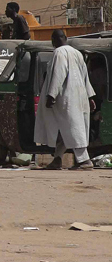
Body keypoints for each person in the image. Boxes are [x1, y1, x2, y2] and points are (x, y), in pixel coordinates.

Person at [36, 31, 96, 170]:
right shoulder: (77, 53)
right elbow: (85, 77)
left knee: (73, 128)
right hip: (79, 96)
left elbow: (58, 73)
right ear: (66, 38)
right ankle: (57, 159)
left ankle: (84, 160)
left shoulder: (59, 52)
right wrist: (90, 97)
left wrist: (51, 95)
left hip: (65, 98)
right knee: (63, 129)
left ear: (52, 40)